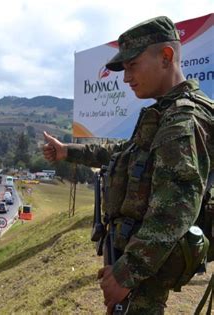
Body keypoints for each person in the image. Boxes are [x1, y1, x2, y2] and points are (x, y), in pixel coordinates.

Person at [43, 16, 213, 314]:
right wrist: (67, 151)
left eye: (132, 65)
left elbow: (175, 210)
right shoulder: (164, 114)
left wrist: (126, 273)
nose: (126, 78)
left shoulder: (182, 120)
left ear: (166, 56)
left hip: (146, 269)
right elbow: (122, 153)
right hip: (137, 259)